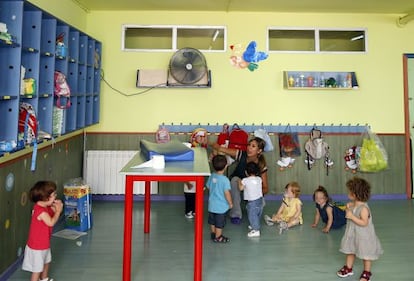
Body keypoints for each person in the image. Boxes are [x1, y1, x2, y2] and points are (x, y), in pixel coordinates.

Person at [211, 137, 268, 224]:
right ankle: (235, 215)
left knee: (261, 203)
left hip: (251, 189)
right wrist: (206, 141)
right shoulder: (241, 154)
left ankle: (253, 212)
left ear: (259, 151)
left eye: (253, 146)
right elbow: (219, 148)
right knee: (234, 180)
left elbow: (265, 188)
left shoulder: (261, 164)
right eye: (249, 145)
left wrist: (255, 192)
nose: (249, 148)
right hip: (238, 184)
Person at [337, 177, 383, 281]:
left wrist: (352, 216)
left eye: (350, 191)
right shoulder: (355, 204)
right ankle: (348, 268)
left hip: (363, 236)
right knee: (350, 250)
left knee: (366, 254)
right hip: (353, 234)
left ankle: (367, 272)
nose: (348, 192)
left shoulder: (364, 209)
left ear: (355, 194)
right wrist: (349, 207)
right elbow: (353, 209)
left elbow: (364, 223)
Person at [22, 181, 63, 281]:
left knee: (46, 261)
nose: (55, 196)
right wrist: (58, 211)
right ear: (45, 198)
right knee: (37, 269)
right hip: (37, 246)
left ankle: (44, 278)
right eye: (53, 195)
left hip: (44, 243)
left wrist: (56, 208)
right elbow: (51, 222)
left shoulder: (44, 207)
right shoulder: (40, 211)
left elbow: (52, 212)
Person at [206, 154, 233, 243]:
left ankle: (213, 234)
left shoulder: (212, 176)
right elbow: (227, 193)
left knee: (212, 221)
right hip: (221, 207)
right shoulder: (225, 180)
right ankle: (218, 237)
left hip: (212, 205)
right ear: (225, 166)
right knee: (219, 223)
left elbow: (208, 187)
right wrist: (230, 203)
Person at [238, 161, 264, 237]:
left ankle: (256, 230)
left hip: (252, 202)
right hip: (260, 200)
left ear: (246, 172)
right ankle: (254, 224)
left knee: (252, 215)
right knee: (257, 214)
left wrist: (239, 181)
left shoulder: (245, 180)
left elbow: (240, 188)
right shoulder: (259, 179)